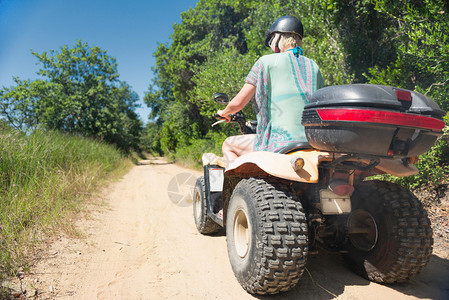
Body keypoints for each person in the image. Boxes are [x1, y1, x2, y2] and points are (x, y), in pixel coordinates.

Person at [217, 15, 325, 167]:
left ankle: (236, 189)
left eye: (271, 41)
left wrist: (224, 112)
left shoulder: (265, 62)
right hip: (313, 142)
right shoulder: (314, 67)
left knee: (229, 144)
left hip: (278, 143)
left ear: (277, 37)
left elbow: (238, 103)